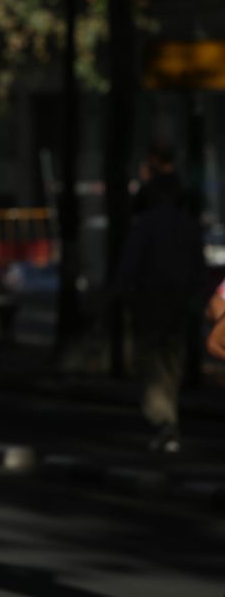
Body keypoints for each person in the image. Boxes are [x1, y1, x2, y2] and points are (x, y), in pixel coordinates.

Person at [118, 141, 204, 453]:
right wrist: (197, 296)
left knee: (153, 361)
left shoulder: (148, 225)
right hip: (179, 300)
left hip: (151, 299)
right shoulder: (188, 225)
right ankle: (170, 419)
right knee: (172, 360)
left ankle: (163, 420)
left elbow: (130, 263)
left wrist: (121, 292)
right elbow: (199, 265)